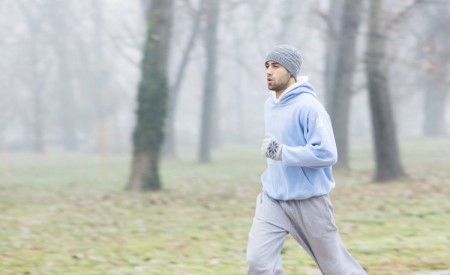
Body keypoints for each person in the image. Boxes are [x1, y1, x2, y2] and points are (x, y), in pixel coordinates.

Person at [246, 45, 366, 275]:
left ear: (291, 72)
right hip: (273, 200)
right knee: (258, 264)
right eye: (267, 66)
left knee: (337, 268)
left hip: (309, 203)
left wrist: (283, 152)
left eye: (276, 66)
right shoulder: (269, 105)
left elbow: (327, 153)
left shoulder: (309, 107)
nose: (269, 71)